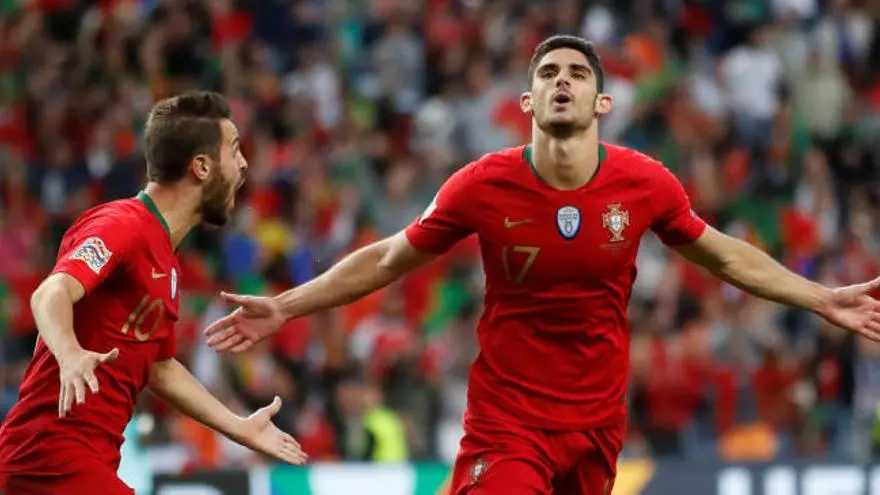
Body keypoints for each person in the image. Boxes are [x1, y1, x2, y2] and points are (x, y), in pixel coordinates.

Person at [204, 36, 880, 494]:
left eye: (578, 74)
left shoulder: (645, 184)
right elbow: (388, 257)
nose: (562, 81)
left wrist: (821, 297)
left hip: (596, 424)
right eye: (548, 74)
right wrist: (286, 304)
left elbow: (725, 253)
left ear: (601, 104)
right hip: (509, 420)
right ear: (527, 102)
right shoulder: (482, 185)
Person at [0, 92, 307, 495]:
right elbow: (50, 292)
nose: (244, 164)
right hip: (50, 456)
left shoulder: (166, 259)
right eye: (234, 150)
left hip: (79, 461)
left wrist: (238, 427)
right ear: (201, 167)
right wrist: (70, 351)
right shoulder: (122, 225)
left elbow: (160, 368)